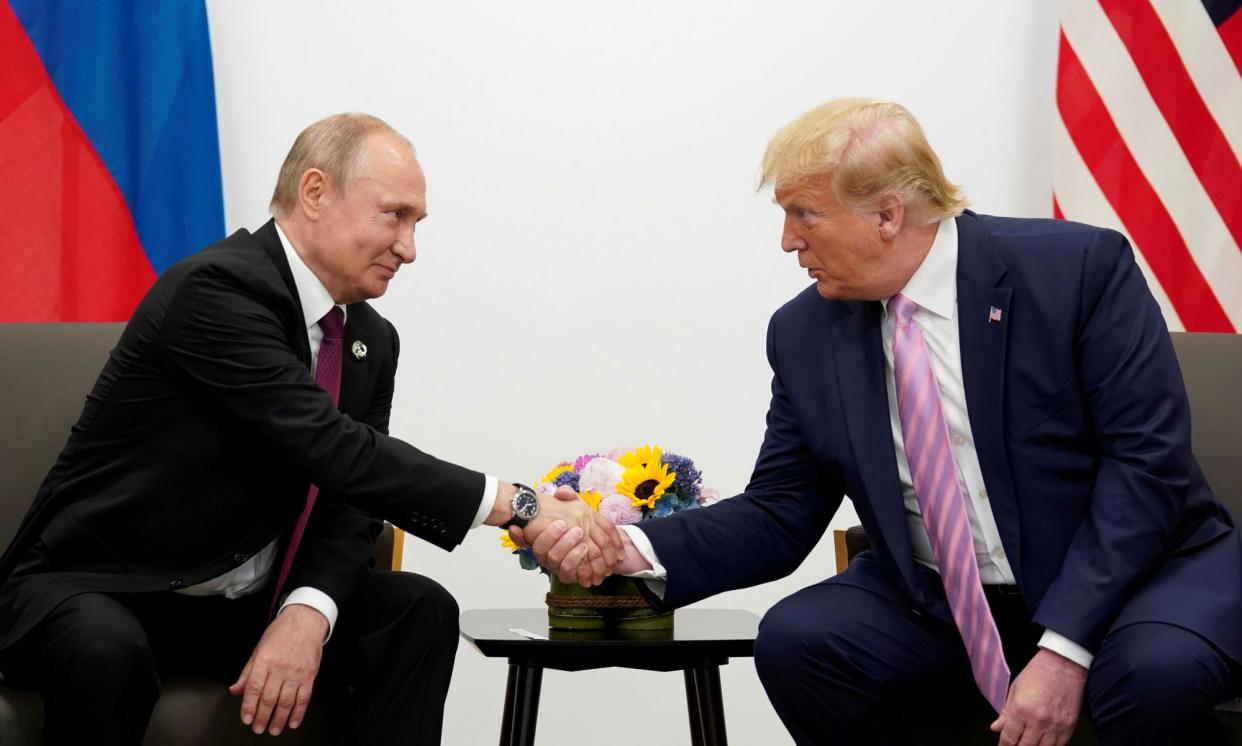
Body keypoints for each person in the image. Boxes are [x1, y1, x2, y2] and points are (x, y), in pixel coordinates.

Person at [519, 99, 1242, 745]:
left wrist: (1065, 647)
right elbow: (779, 513)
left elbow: (1145, 468)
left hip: (1138, 578)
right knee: (803, 642)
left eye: (803, 214)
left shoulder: (1076, 271)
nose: (786, 242)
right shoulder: (806, 333)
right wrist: (626, 548)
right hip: (949, 601)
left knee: (1154, 676)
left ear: (888, 214)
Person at [0, 113, 621, 746]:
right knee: (106, 649)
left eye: (416, 224)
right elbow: (336, 450)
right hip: (102, 590)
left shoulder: (370, 340)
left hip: (236, 604)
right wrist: (521, 506)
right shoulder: (215, 291)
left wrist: (307, 609)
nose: (409, 248)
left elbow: (350, 503)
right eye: (394, 215)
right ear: (316, 193)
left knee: (416, 611)